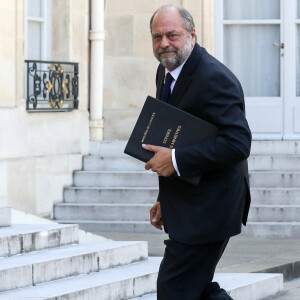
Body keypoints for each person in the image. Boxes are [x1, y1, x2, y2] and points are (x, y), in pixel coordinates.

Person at [142, 4, 252, 300]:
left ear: (192, 34)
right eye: (157, 37)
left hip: (211, 207)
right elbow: (175, 134)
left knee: (174, 289)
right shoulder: (165, 70)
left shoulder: (214, 77)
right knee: (197, 291)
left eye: (172, 35)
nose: (164, 43)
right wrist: (165, 198)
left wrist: (175, 161)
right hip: (188, 203)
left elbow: (238, 142)